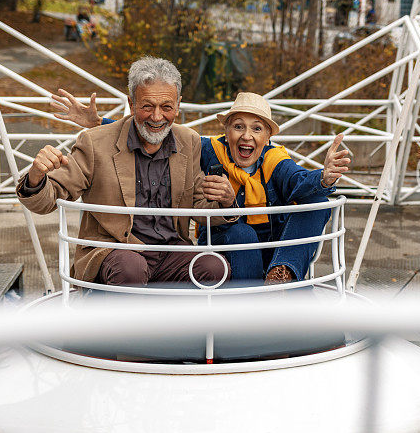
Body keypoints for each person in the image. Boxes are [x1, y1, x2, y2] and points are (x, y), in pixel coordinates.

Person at [50, 89, 350, 285]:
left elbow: (298, 182)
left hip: (272, 237)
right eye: (239, 126)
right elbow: (155, 129)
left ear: (267, 138)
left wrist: (323, 178)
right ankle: (246, 308)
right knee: (242, 232)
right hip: (226, 231)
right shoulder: (207, 149)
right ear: (226, 130)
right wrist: (98, 122)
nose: (247, 136)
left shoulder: (276, 161)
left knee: (316, 204)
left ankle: (281, 273)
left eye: (257, 128)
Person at [18, 56, 236, 287]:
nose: (157, 116)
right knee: (131, 268)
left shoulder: (188, 140)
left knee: (214, 267)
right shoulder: (95, 142)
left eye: (166, 107)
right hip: (115, 250)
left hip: (171, 251)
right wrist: (36, 176)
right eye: (147, 106)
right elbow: (47, 200)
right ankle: (128, 324)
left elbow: (197, 203)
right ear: (131, 104)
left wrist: (226, 202)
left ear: (178, 105)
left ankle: (183, 324)